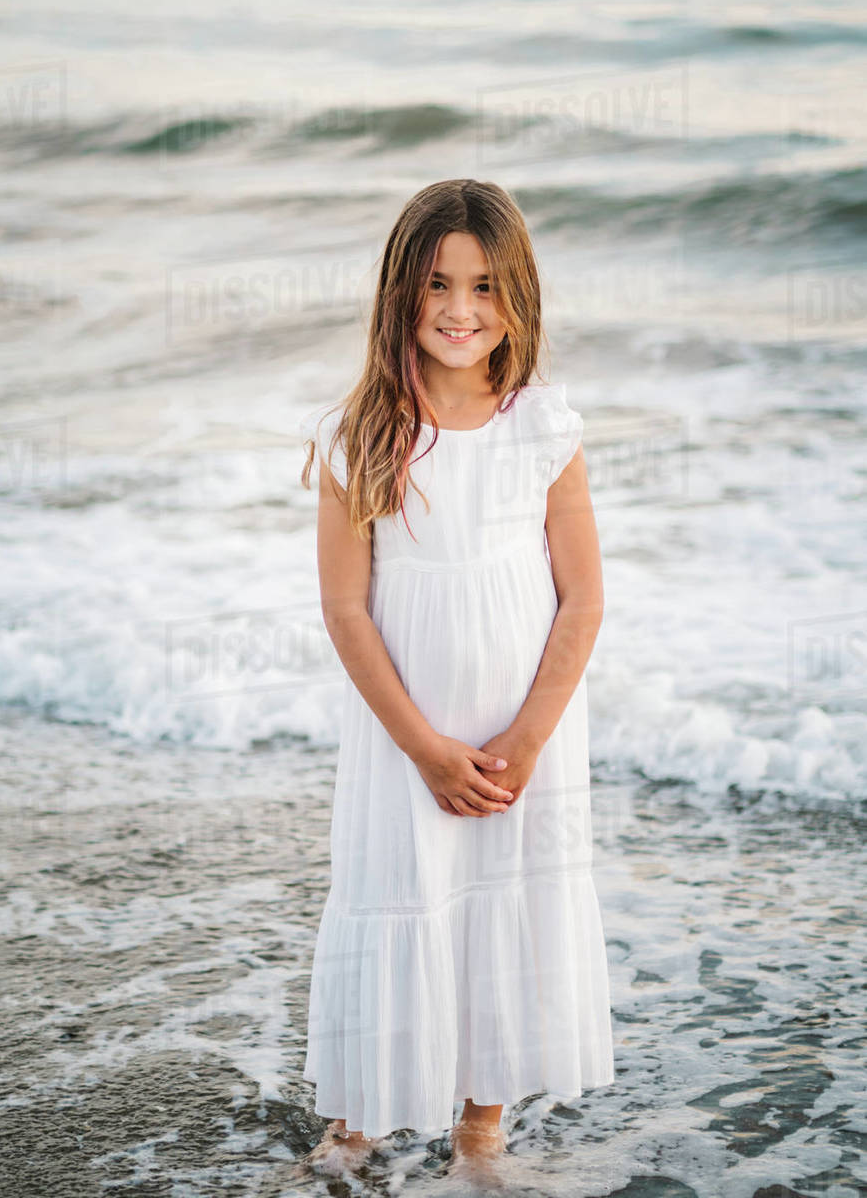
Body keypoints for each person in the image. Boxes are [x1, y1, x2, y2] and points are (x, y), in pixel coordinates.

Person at [298, 178, 615, 1176]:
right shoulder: (358, 436)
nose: (460, 309)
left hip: (520, 729)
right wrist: (425, 748)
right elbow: (347, 610)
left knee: (499, 899)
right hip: (407, 731)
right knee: (398, 888)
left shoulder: (544, 429)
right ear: (401, 290)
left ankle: (483, 1116)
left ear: (517, 296)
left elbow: (582, 600)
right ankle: (359, 1114)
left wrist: (526, 737)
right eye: (437, 284)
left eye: (483, 286)